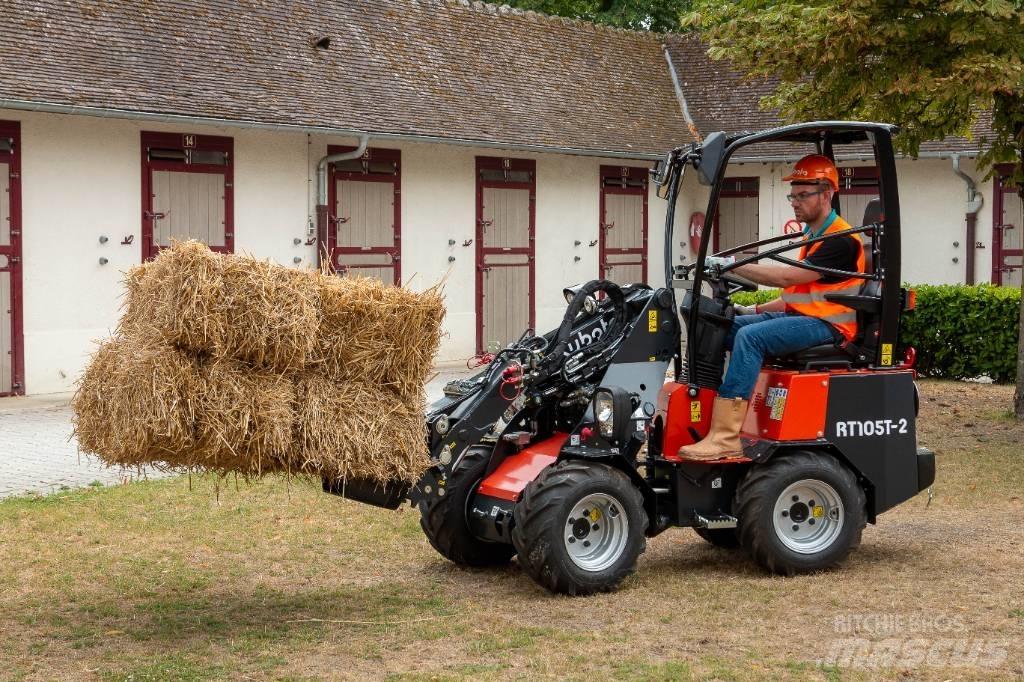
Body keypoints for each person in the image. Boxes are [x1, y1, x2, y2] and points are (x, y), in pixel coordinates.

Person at [679, 154, 866, 461]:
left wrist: (735, 265)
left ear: (828, 193)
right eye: (793, 195)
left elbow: (786, 277)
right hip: (805, 318)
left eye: (803, 195)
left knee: (750, 338)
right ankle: (703, 416)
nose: (795, 202)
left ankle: (725, 436)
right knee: (721, 326)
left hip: (829, 328)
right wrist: (748, 311)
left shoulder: (840, 240)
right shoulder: (813, 235)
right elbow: (797, 295)